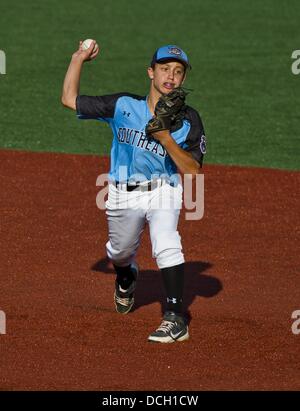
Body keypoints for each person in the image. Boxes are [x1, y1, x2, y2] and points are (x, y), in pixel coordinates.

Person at [61, 41, 206, 343]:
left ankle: (176, 317)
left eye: (178, 72)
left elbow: (192, 170)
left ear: (183, 79)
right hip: (121, 193)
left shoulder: (188, 119)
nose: (171, 76)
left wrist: (165, 138)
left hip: (164, 189)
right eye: (165, 69)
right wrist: (78, 58)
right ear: (150, 72)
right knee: (120, 251)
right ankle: (126, 275)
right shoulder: (124, 106)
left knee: (167, 243)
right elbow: (69, 99)